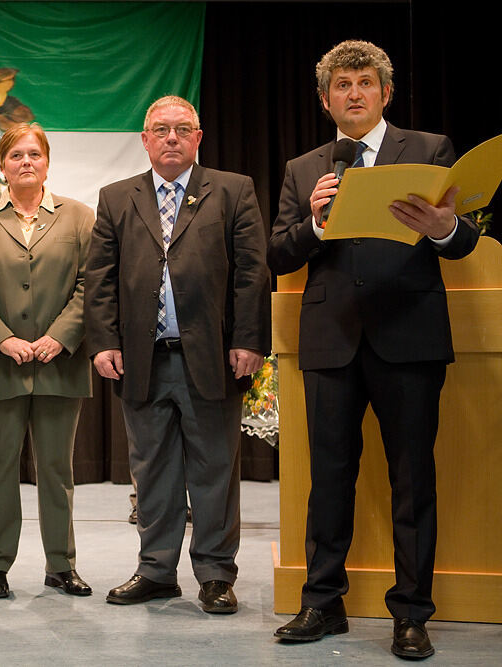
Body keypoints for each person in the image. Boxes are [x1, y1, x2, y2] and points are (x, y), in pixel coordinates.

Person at [269, 40, 479, 660]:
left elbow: (465, 238)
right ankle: (321, 603)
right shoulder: (304, 167)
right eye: (341, 85)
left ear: (385, 93)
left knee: (413, 480)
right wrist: (312, 225)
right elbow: (280, 254)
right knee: (328, 479)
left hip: (408, 336)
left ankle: (412, 613)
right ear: (325, 97)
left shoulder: (429, 149)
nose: (353, 93)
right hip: (331, 339)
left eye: (364, 83)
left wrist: (445, 231)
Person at [85, 95, 270, 614]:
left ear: (198, 138)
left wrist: (250, 340)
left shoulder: (233, 191)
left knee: (213, 468)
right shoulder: (117, 196)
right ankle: (156, 571)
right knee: (152, 470)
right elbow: (99, 279)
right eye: (160, 129)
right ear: (144, 140)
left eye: (181, 129)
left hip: (213, 358)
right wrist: (103, 341)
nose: (171, 137)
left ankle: (215, 573)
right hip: (143, 360)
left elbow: (253, 272)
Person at [0, 123, 94, 599]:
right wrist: (2, 340)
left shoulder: (80, 217)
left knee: (57, 470)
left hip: (60, 366)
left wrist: (61, 337)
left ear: (46, 161)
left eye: (34, 154)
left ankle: (61, 565)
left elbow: (91, 286)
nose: (25, 162)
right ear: (2, 164)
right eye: (16, 155)